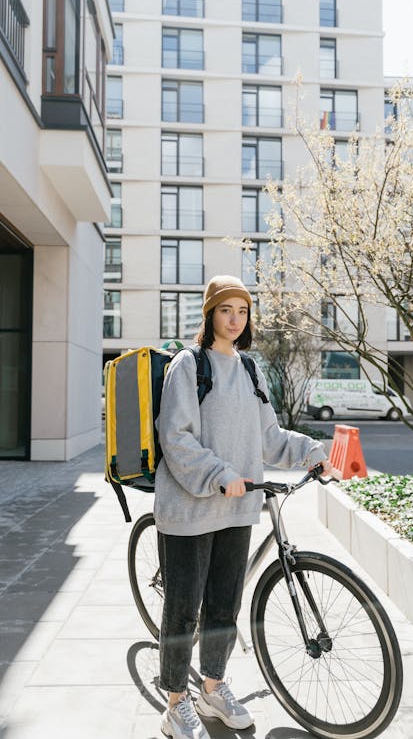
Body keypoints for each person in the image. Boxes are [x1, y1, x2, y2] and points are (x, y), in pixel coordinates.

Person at [154, 275, 333, 739]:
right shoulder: (188, 365)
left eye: (242, 311)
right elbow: (174, 436)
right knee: (182, 612)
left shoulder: (251, 369)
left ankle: (213, 687)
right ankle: (175, 701)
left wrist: (313, 450)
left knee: (223, 606)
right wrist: (219, 474)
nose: (234, 320)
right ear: (210, 313)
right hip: (190, 510)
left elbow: (269, 439)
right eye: (225, 310)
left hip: (237, 509)